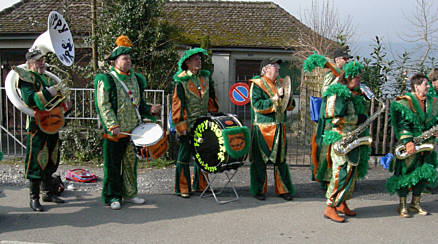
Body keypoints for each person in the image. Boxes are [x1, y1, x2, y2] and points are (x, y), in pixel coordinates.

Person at [94, 35, 161, 210]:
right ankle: (113, 196)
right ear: (115, 61)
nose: (128, 61)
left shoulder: (136, 79)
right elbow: (103, 104)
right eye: (124, 58)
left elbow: (139, 104)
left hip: (134, 130)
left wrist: (150, 109)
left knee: (131, 164)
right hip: (115, 132)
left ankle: (130, 193)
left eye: (129, 58)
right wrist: (112, 125)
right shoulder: (107, 79)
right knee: (113, 165)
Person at [18, 48, 71, 211]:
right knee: (36, 160)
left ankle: (48, 192)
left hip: (52, 123)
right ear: (30, 63)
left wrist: (65, 106)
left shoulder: (47, 78)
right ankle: (34, 197)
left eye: (43, 60)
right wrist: (49, 93)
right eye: (38, 61)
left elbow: (56, 99)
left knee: (52, 158)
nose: (42, 63)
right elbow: (30, 99)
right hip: (37, 125)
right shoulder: (26, 77)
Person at [320, 61, 370, 223]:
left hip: (353, 139)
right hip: (342, 139)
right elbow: (335, 118)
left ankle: (341, 203)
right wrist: (357, 119)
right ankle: (330, 207)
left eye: (359, 77)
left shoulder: (354, 93)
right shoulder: (338, 93)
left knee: (351, 173)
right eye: (356, 77)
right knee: (341, 172)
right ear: (348, 77)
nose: (359, 80)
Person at [387, 73, 438, 218]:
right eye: (425, 84)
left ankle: (416, 203)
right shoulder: (405, 102)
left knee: (423, 173)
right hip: (410, 144)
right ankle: (402, 204)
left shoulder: (432, 101)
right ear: (416, 86)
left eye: (428, 84)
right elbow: (402, 124)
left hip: (427, 144)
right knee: (405, 174)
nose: (428, 86)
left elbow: (433, 121)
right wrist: (408, 141)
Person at [171, 48, 219, 198]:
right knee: (184, 156)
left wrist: (214, 113)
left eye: (200, 59)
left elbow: (211, 97)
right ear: (187, 62)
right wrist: (181, 125)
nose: (199, 61)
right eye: (196, 59)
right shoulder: (181, 80)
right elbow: (178, 103)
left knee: (203, 154)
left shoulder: (205, 78)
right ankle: (182, 187)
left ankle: (200, 185)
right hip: (187, 123)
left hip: (203, 123)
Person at [248, 58, 295, 201]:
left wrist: (289, 97)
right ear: (266, 69)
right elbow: (257, 105)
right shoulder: (257, 85)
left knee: (280, 160)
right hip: (263, 129)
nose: (278, 68)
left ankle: (283, 189)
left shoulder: (280, 83)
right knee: (259, 161)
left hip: (279, 128)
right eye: (275, 66)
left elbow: (289, 105)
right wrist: (275, 97)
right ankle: (259, 190)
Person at [311, 47, 352, 190]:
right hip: (329, 114)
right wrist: (338, 80)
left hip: (342, 115)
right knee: (326, 147)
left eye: (348, 59)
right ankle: (326, 178)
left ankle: (340, 177)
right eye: (345, 59)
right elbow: (325, 92)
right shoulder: (330, 75)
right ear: (337, 60)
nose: (347, 61)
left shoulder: (348, 76)